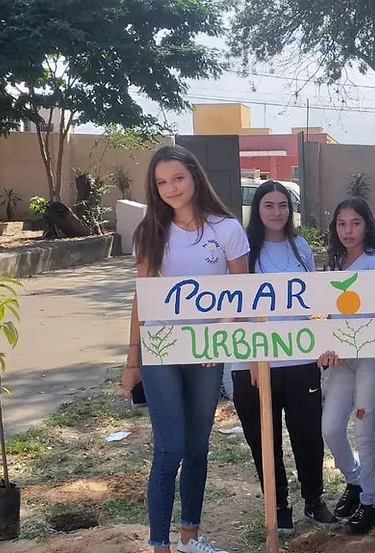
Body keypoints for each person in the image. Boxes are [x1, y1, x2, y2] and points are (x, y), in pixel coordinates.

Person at [124, 144, 250, 553]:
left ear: (195, 176)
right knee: (170, 447)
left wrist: (219, 335)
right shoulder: (150, 231)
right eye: (161, 183)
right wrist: (132, 361)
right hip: (161, 351)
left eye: (177, 178)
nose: (171, 188)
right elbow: (141, 300)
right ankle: (160, 544)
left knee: (198, 445)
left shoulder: (227, 230)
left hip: (208, 353)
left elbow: (240, 294)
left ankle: (191, 537)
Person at [232, 180, 338, 534]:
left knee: (308, 434)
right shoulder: (243, 250)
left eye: (283, 205)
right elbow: (232, 305)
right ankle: (277, 504)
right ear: (257, 210)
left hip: (299, 359)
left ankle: (313, 499)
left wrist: (323, 340)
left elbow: (314, 304)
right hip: (252, 363)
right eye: (268, 205)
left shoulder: (301, 247)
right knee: (264, 438)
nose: (277, 212)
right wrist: (247, 357)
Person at [316, 197, 375, 534]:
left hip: (371, 359)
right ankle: (355, 481)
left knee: (364, 431)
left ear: (366, 225)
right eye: (341, 224)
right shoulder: (332, 265)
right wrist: (324, 346)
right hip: (339, 363)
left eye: (355, 223)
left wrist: (351, 340)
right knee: (330, 427)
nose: (348, 230)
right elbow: (324, 316)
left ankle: (371, 503)